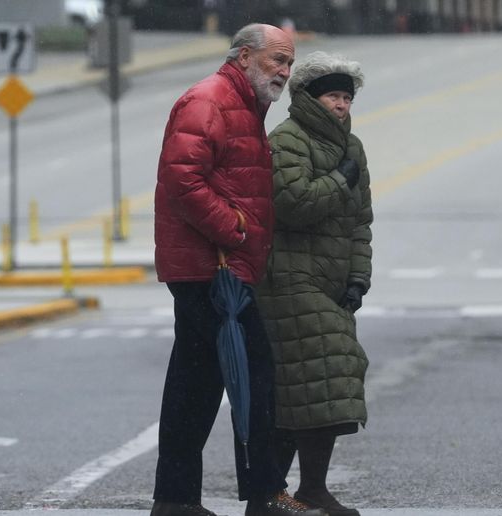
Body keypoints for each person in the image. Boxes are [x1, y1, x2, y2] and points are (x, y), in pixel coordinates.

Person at [151, 23, 326, 516]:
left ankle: (175, 500)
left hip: (214, 268)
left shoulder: (245, 105)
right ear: (245, 56)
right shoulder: (210, 99)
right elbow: (182, 178)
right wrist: (235, 228)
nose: (285, 73)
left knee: (195, 385)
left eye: (289, 64)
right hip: (214, 270)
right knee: (255, 378)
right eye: (277, 61)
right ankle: (265, 495)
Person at [256, 51, 373, 516]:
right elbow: (294, 203)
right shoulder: (287, 140)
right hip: (288, 279)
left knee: (318, 383)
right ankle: (288, 491)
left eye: (346, 97)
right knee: (322, 374)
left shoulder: (353, 146)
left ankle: (303, 490)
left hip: (331, 280)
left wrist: (359, 277)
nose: (341, 105)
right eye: (332, 96)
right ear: (309, 98)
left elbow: (360, 222)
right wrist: (340, 181)